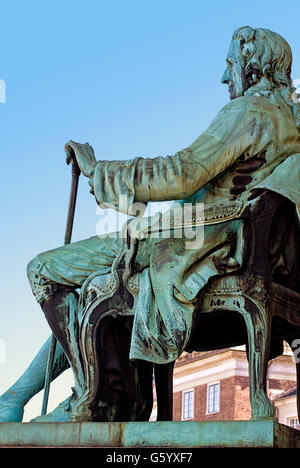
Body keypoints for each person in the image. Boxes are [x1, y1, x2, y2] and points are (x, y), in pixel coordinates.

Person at [0, 25, 299, 422]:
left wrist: (99, 171)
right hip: (216, 240)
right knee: (94, 288)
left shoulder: (250, 112)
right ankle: (26, 396)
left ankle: (91, 396)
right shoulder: (288, 122)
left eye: (230, 64)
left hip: (195, 242)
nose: (225, 77)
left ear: (254, 67)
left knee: (43, 269)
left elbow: (182, 171)